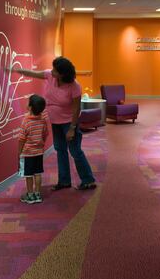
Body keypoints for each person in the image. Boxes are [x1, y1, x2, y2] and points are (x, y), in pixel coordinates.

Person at [10, 56, 97, 191]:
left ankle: (88, 180)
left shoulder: (74, 86)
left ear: (63, 74)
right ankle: (64, 181)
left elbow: (76, 108)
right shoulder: (51, 76)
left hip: (69, 123)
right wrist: (16, 70)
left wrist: (72, 128)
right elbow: (33, 73)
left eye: (55, 70)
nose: (52, 71)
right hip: (55, 122)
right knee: (60, 150)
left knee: (75, 151)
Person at [18, 94, 49, 204]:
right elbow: (45, 134)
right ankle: (38, 194)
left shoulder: (26, 121)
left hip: (28, 153)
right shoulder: (43, 120)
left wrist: (19, 152)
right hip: (39, 152)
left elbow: (21, 138)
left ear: (30, 107)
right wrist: (41, 143)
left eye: (28, 102)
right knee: (38, 173)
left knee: (29, 175)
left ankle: (30, 195)